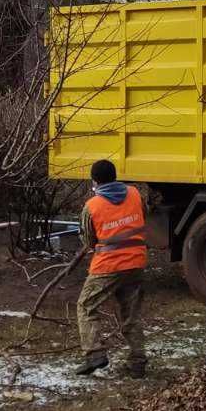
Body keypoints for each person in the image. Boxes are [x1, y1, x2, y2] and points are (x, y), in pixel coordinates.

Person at [74, 159, 148, 378]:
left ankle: (95, 354)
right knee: (131, 314)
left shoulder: (92, 206)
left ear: (95, 181)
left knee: (86, 306)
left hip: (108, 265)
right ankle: (138, 363)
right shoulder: (134, 193)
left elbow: (88, 241)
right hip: (136, 261)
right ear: (115, 175)